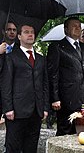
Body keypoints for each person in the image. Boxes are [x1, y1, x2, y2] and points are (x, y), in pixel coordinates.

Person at [47, 17, 84, 136]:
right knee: (66, 133)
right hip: (67, 99)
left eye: (79, 26)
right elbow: (53, 74)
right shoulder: (57, 47)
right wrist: (55, 98)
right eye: (74, 26)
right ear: (66, 29)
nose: (78, 28)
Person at [1, 24, 49, 153]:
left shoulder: (41, 59)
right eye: (26, 32)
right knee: (13, 148)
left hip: (36, 111)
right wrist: (8, 108)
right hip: (16, 111)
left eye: (32, 32)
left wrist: (45, 107)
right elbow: (6, 84)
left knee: (31, 147)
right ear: (19, 36)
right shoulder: (11, 57)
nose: (30, 34)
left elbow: (45, 84)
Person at [0, 22, 17, 120]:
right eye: (9, 29)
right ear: (3, 31)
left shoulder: (20, 49)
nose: (11, 32)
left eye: (14, 30)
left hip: (13, 94)